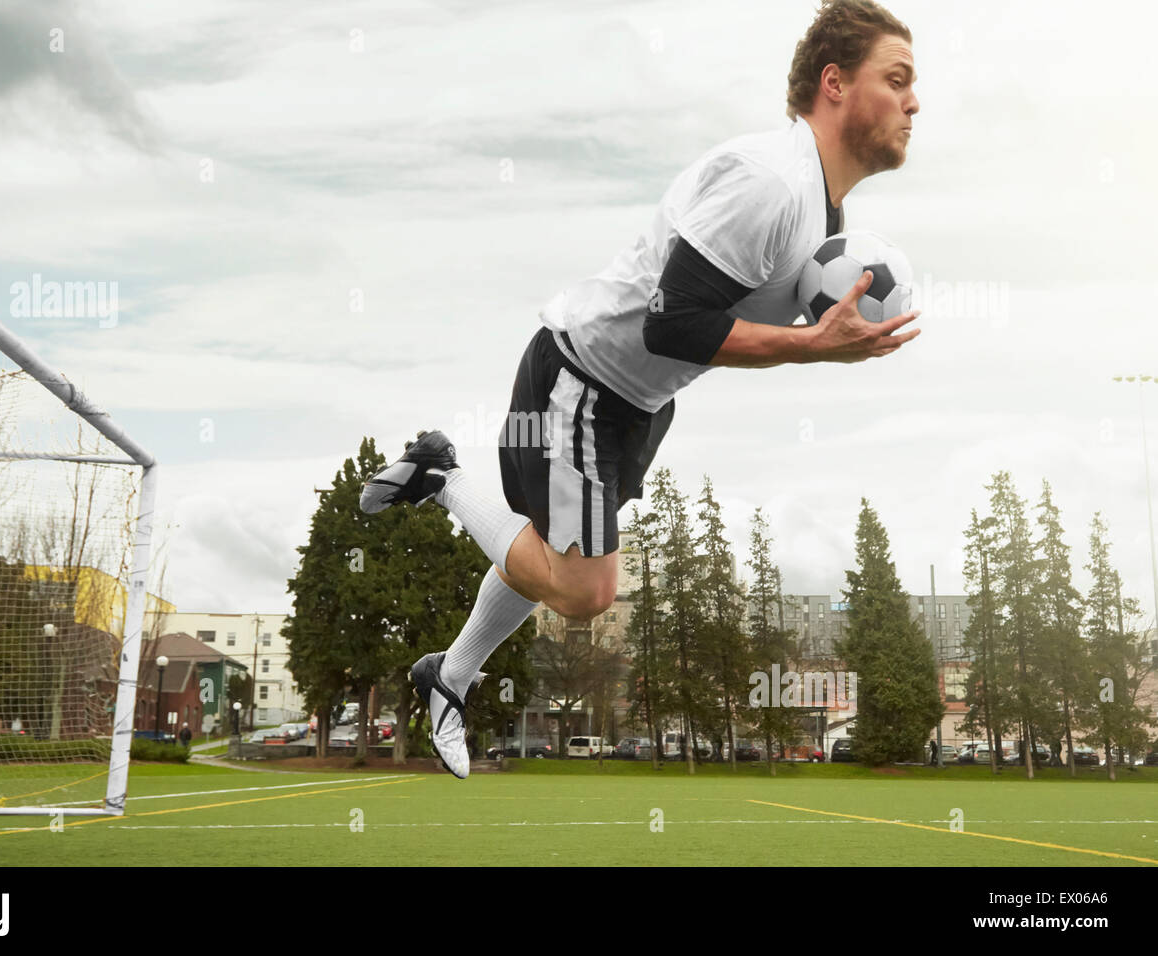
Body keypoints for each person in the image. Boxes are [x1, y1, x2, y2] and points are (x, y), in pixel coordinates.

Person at [361, 0, 921, 779]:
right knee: (585, 591)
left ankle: (448, 677)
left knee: (557, 557)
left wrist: (817, 342)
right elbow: (672, 324)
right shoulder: (770, 183)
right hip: (583, 379)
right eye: (896, 80)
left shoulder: (823, 212)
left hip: (640, 405)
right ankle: (443, 477)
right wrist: (813, 347)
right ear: (835, 83)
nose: (913, 101)